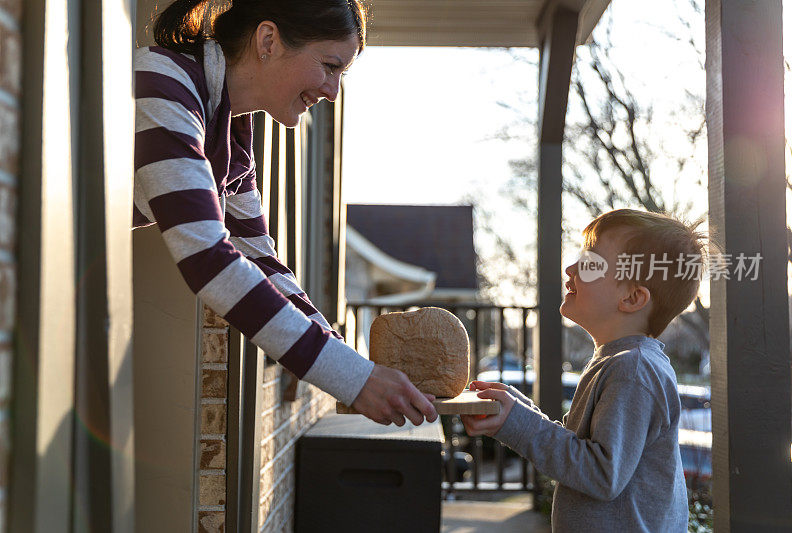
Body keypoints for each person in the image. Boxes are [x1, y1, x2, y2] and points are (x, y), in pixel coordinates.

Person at [133, 0, 437, 426]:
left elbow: (262, 261)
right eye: (330, 66)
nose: (333, 92)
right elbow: (207, 257)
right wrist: (352, 378)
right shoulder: (166, 83)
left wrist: (357, 369)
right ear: (268, 41)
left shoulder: (231, 131)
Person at [462, 209, 704, 531]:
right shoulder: (619, 360)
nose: (571, 269)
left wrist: (518, 423)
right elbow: (582, 447)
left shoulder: (633, 369)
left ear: (632, 298)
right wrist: (516, 410)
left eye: (591, 265)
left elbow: (603, 473)